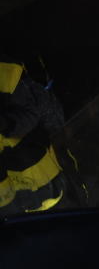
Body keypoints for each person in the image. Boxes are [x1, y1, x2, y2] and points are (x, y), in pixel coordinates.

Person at [0, 57, 70, 215]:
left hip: (49, 188)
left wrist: (6, 123)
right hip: (14, 205)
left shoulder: (7, 73)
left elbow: (37, 114)